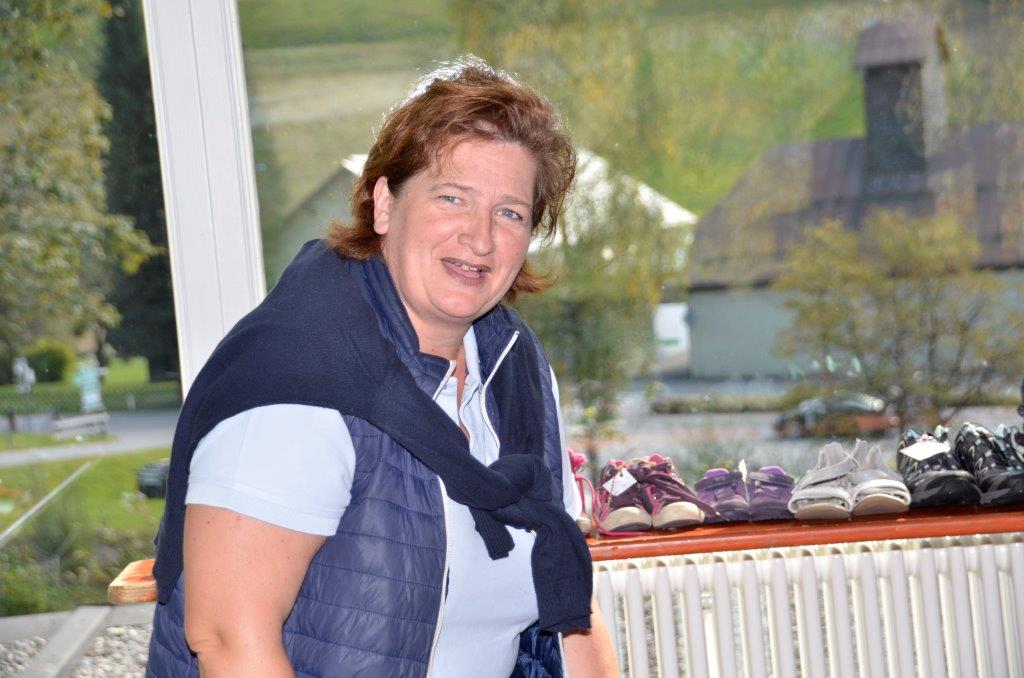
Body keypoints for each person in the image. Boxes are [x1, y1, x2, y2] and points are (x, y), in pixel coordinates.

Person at [146, 57, 618, 677]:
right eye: (452, 198)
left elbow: (567, 598)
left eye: (510, 212)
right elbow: (228, 638)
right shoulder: (298, 377)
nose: (480, 238)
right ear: (384, 205)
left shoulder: (517, 368)